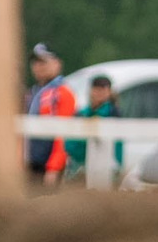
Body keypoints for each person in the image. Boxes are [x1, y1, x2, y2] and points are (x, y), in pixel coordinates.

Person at [23, 43, 75, 183]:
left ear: (57, 63)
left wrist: (54, 167)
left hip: (48, 167)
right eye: (35, 62)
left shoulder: (62, 92)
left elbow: (64, 134)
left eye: (43, 62)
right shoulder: (33, 92)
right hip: (31, 164)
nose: (38, 66)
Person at [67, 73, 119, 187]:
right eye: (97, 89)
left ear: (109, 92)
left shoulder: (113, 114)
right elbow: (69, 141)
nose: (99, 93)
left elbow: (117, 146)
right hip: (79, 164)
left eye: (103, 89)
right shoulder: (82, 113)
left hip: (104, 165)